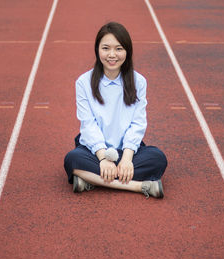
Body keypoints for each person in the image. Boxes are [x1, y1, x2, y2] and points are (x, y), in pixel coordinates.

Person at [64, 22, 167, 198]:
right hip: (94, 151)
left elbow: (138, 123)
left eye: (118, 49)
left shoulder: (139, 81)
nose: (112, 55)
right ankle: (139, 186)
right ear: (97, 50)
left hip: (126, 150)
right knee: (72, 159)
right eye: (106, 48)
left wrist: (127, 159)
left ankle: (90, 179)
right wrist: (103, 158)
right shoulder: (83, 82)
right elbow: (88, 125)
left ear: (127, 51)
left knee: (158, 159)